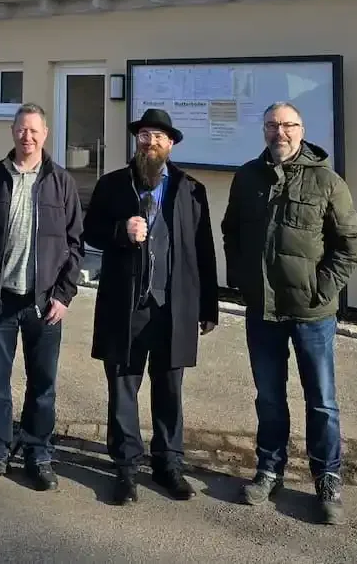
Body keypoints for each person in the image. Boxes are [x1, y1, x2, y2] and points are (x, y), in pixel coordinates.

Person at [222, 101, 357, 525]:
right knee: (269, 397)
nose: (279, 132)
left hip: (311, 314)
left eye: (287, 125)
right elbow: (232, 231)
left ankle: (328, 478)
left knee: (321, 401)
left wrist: (321, 290)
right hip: (262, 310)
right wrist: (244, 280)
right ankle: (269, 469)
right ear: (263, 130)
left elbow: (351, 244)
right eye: (271, 125)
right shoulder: (247, 176)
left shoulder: (327, 181)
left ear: (301, 130)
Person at [83, 108, 219, 504]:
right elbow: (89, 232)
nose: (150, 142)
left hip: (172, 306)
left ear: (171, 144)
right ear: (136, 140)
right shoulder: (112, 185)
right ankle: (125, 467)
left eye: (159, 136)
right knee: (123, 387)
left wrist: (208, 305)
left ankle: (167, 465)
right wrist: (120, 232)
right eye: (144, 135)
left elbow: (203, 252)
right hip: (125, 305)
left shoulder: (190, 190)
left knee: (170, 388)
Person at [0, 103, 83, 490]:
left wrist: (64, 295)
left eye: (33, 130)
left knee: (42, 382)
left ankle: (37, 451)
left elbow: (75, 245)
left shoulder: (60, 182)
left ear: (45, 134)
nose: (26, 136)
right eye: (20, 129)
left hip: (44, 303)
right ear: (12, 132)